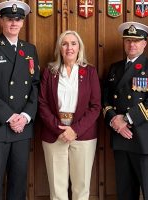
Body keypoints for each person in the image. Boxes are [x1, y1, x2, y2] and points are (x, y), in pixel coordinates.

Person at [0, 0, 39, 199]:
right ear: (1, 21)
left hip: (22, 128)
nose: (14, 23)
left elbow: (35, 86)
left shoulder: (29, 50)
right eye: (9, 19)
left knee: (18, 183)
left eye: (18, 19)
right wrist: (10, 117)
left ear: (23, 22)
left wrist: (26, 116)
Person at [103, 21, 148, 200]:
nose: (132, 44)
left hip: (146, 139)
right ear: (124, 43)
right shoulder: (115, 69)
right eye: (128, 40)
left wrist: (128, 118)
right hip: (121, 138)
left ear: (144, 44)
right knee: (125, 193)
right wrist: (114, 120)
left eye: (137, 41)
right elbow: (106, 99)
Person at [39, 30, 101, 200]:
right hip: (54, 134)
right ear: (59, 48)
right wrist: (59, 129)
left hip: (83, 135)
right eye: (65, 43)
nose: (69, 47)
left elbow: (96, 106)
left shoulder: (90, 72)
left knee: (81, 188)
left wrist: (74, 130)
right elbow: (42, 104)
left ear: (79, 47)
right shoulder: (49, 72)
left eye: (73, 43)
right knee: (57, 189)